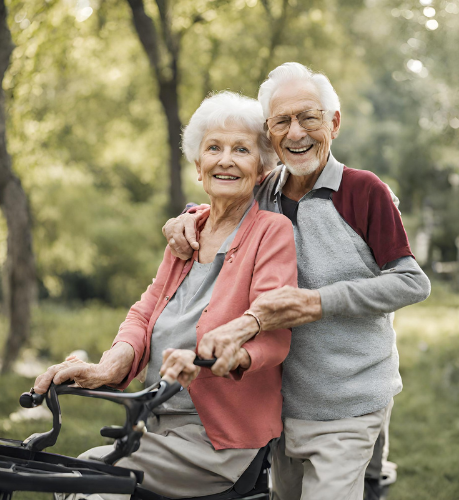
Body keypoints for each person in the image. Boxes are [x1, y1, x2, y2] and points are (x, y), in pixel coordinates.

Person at [163, 63, 432, 500]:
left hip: (351, 403)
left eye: (309, 117)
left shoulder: (365, 192)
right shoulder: (265, 190)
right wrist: (186, 218)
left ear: (333, 123)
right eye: (281, 122)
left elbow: (411, 281)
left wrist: (317, 302)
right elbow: (221, 201)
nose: (296, 133)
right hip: (282, 406)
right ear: (269, 134)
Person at [34, 91, 298, 499]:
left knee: (89, 481)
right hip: (154, 423)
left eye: (241, 149)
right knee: (66, 472)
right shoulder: (187, 234)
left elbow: (274, 330)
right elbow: (145, 312)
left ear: (262, 169)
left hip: (219, 441)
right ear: (198, 166)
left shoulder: (272, 232)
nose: (225, 159)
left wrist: (229, 355)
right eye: (214, 148)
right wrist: (109, 366)